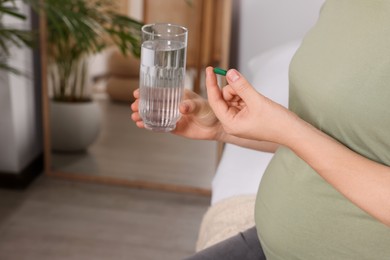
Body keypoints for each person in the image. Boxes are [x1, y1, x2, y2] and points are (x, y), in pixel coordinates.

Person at [131, 0, 390, 259]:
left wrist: (290, 130)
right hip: (268, 245)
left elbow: (302, 136)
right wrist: (221, 127)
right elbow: (335, 133)